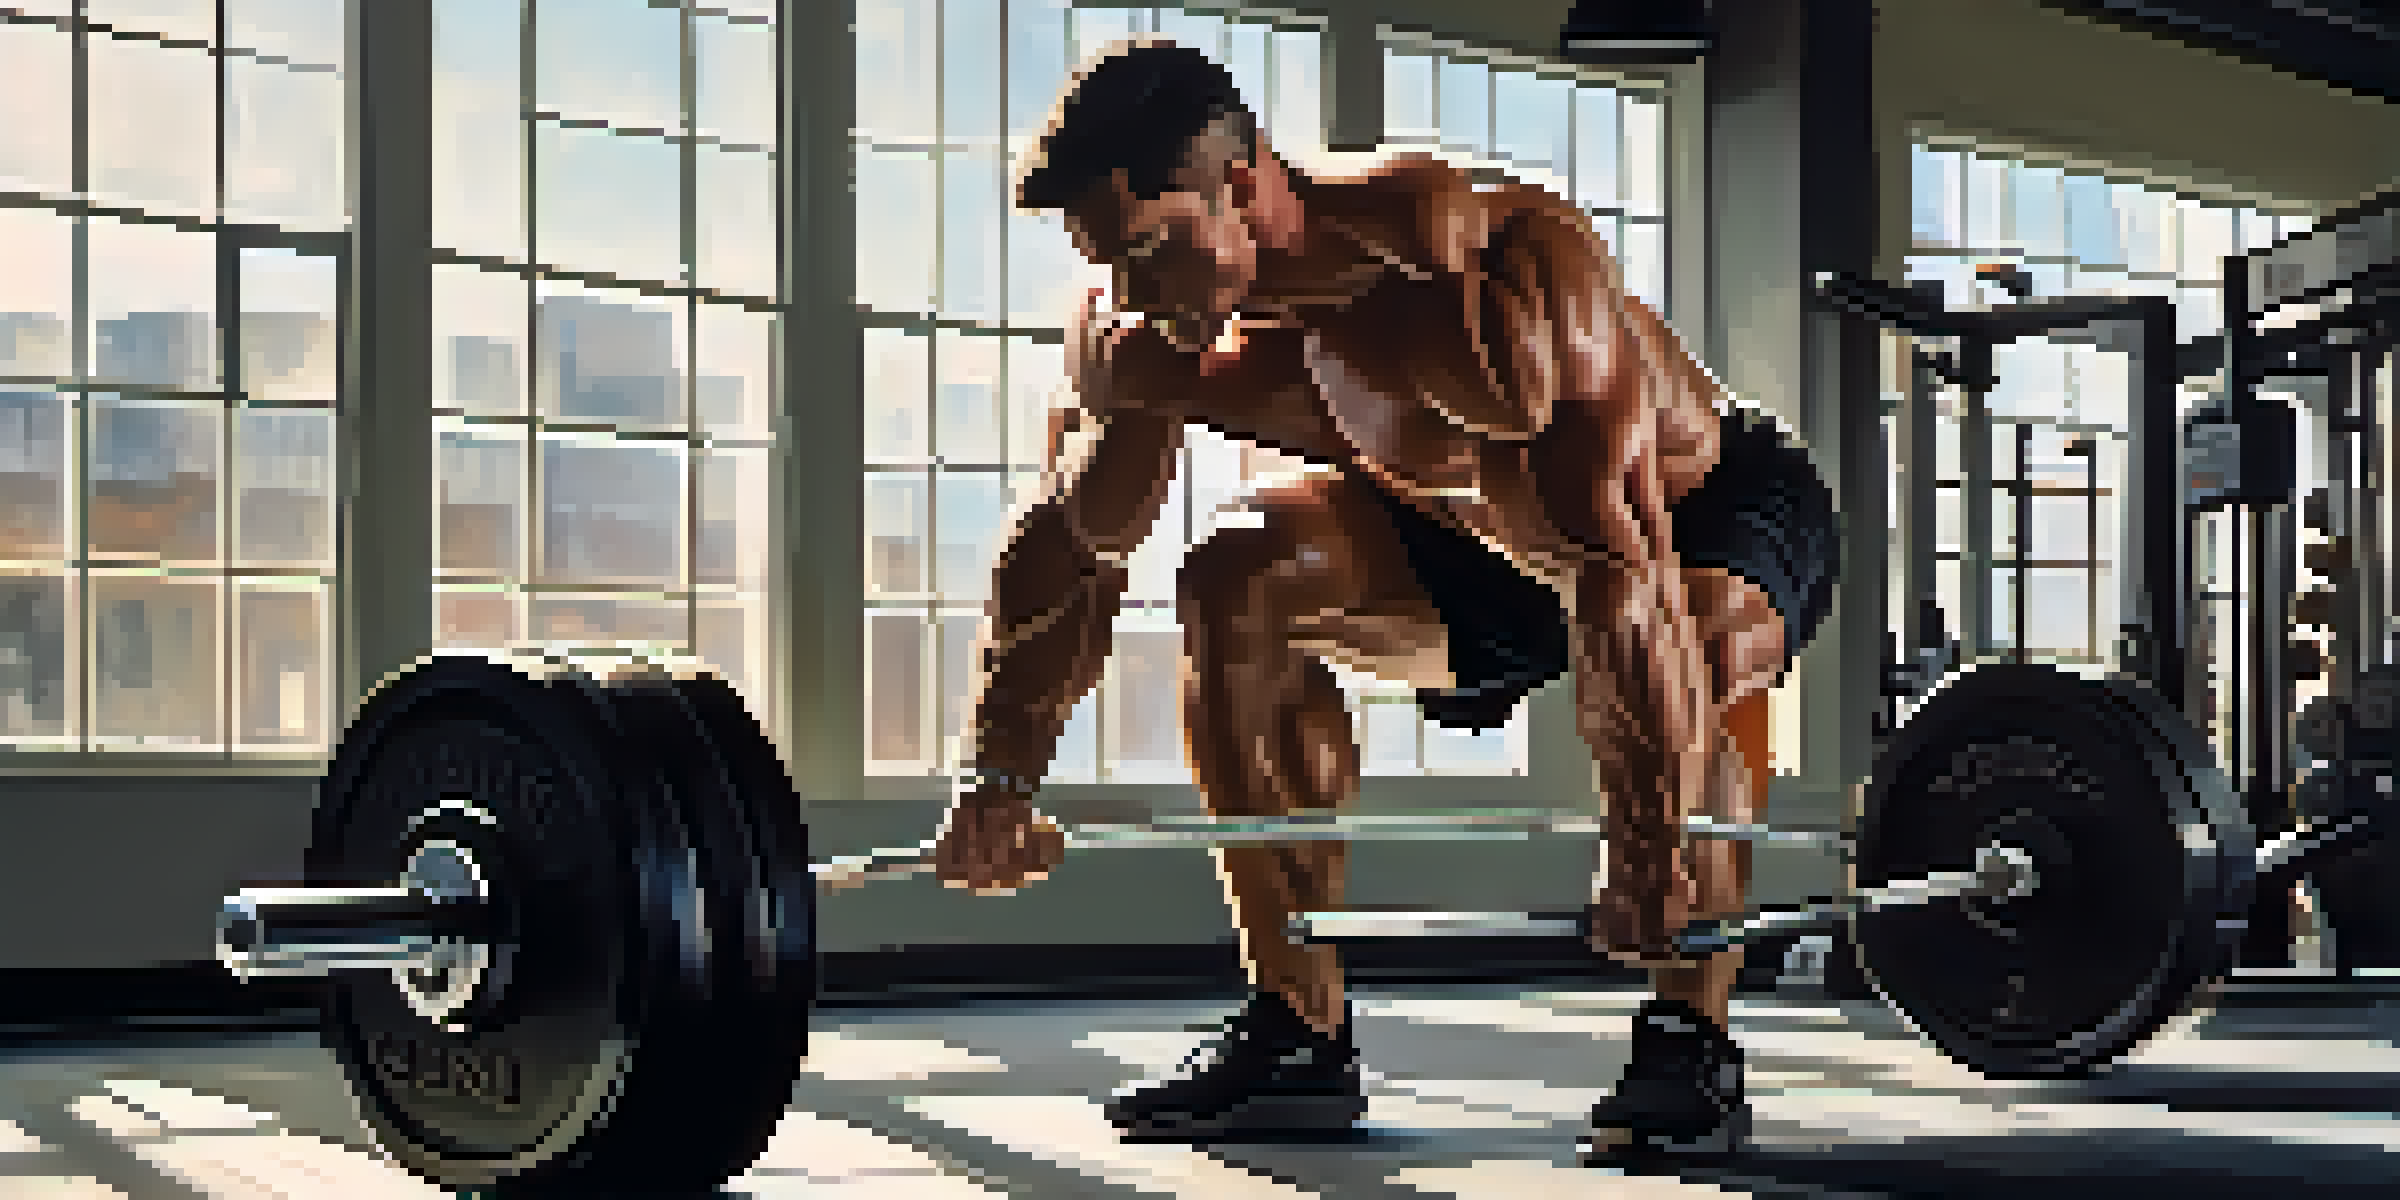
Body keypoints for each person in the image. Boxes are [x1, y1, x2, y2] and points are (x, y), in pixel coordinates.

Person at [927, 40, 1840, 1162]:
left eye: (1154, 249)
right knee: (1233, 572)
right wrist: (998, 775)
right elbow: (1071, 546)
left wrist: (1647, 844)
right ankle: (1296, 1024)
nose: (1132, 292)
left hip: (1704, 507)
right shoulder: (1157, 338)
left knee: (1691, 648)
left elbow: (1619, 563)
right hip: (1472, 544)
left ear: (1244, 185)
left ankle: (1687, 1037)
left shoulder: (1477, 275)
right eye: (1108, 259)